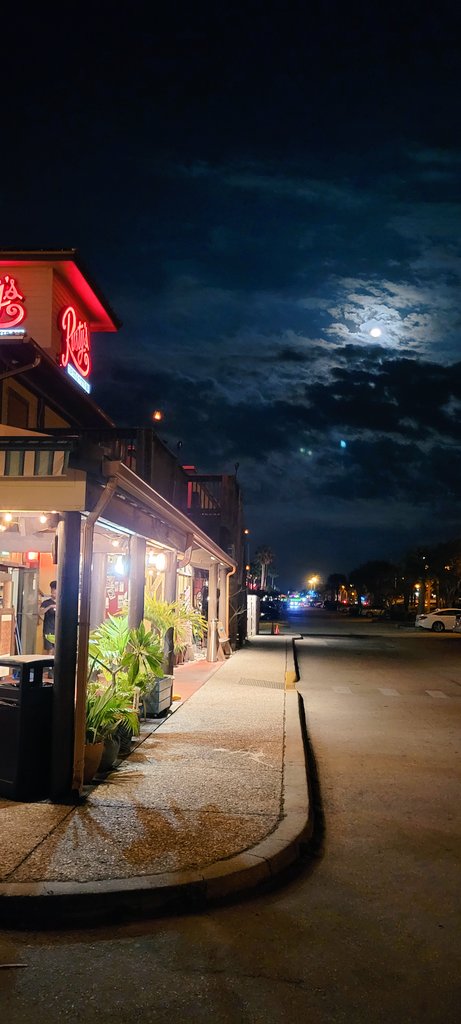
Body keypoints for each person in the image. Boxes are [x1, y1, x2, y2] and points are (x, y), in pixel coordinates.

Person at [40, 581, 56, 652]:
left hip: (58, 629)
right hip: (48, 628)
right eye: (52, 592)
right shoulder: (46, 602)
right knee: (50, 650)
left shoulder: (62, 602)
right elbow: (40, 612)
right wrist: (50, 607)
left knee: (57, 650)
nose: (53, 594)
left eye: (55, 592)